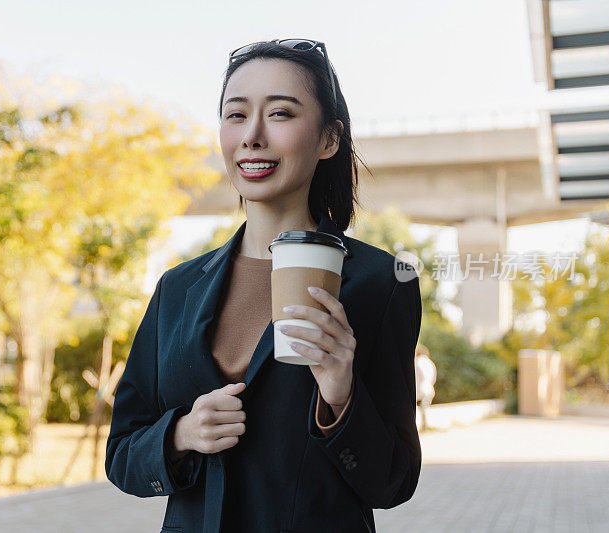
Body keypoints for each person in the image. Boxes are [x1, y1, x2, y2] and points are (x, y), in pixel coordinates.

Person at [105, 39, 423, 533]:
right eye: (236, 115)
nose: (252, 136)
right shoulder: (177, 288)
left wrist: (341, 394)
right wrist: (181, 434)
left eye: (280, 114)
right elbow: (122, 453)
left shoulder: (380, 283)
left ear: (328, 140)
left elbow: (394, 482)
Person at [414, 345, 437, 430]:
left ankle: (421, 427)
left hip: (418, 388)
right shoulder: (430, 363)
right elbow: (433, 377)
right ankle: (425, 426)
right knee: (425, 409)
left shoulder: (417, 362)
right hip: (429, 388)